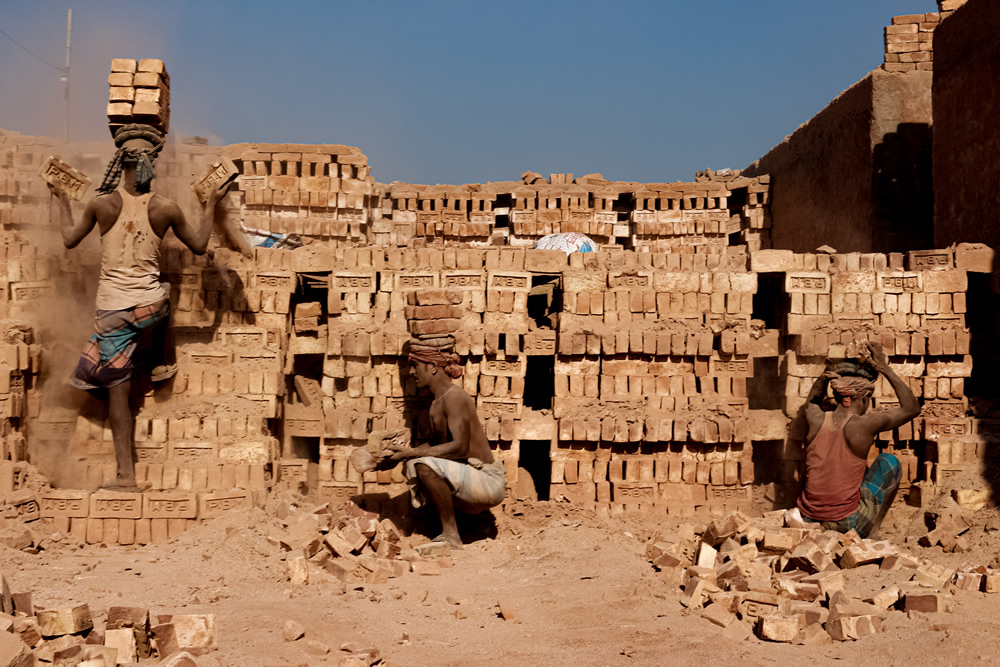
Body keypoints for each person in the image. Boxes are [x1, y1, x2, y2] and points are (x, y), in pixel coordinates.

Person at [49, 124, 227, 491]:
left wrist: (61, 200)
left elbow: (68, 241)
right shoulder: (167, 208)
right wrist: (210, 204)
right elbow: (199, 245)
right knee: (163, 286)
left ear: (120, 162)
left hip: (113, 313)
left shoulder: (100, 205)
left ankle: (126, 476)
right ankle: (162, 359)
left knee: (118, 389)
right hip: (151, 309)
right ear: (153, 165)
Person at [789, 341, 921, 538]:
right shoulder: (863, 425)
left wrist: (826, 374)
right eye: (868, 400)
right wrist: (884, 368)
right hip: (847, 523)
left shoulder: (815, 418)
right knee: (889, 462)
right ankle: (872, 531)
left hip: (808, 518)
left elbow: (811, 402)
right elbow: (912, 409)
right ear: (862, 398)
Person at [386, 343, 506, 549]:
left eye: (415, 365)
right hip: (470, 477)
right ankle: (459, 528)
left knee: (423, 465)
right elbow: (435, 447)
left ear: (432, 366)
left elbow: (460, 448)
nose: (411, 371)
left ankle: (451, 535)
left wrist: (413, 453)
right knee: (415, 464)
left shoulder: (455, 397)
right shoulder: (436, 404)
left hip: (488, 481)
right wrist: (392, 457)